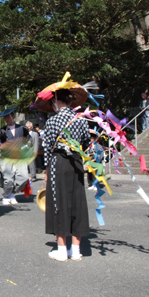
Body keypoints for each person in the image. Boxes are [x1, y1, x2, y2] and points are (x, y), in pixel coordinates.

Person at [32, 75, 91, 262]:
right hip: (76, 163)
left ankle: (61, 249)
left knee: (59, 202)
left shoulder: (51, 122)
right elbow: (86, 143)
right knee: (77, 201)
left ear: (57, 100)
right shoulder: (81, 120)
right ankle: (76, 250)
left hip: (58, 162)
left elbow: (48, 149)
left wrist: (47, 173)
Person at [0, 107, 30, 205]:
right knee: (8, 178)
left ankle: (12, 192)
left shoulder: (23, 129)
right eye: (5, 118)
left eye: (8, 117)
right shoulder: (1, 131)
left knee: (23, 178)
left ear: (13, 117)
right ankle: (7, 195)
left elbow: (29, 140)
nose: (6, 119)